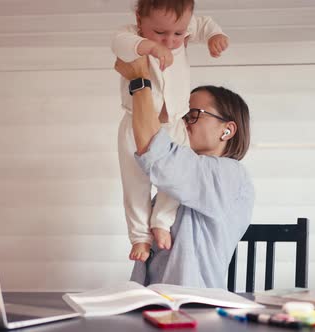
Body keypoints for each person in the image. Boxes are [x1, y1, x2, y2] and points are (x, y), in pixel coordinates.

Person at [114, 55, 253, 288]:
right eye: (181, 114)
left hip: (192, 307)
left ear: (227, 130)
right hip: (154, 302)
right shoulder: (182, 178)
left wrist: (140, 82)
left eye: (193, 114)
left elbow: (157, 154)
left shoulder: (230, 175)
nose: (182, 122)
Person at [112, 0, 230, 263]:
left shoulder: (183, 31)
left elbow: (206, 24)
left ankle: (162, 222)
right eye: (160, 33)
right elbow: (118, 44)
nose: (171, 40)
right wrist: (149, 46)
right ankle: (140, 236)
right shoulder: (129, 34)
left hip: (174, 123)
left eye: (178, 33)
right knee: (135, 184)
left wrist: (215, 36)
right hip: (136, 122)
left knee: (177, 177)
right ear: (140, 20)